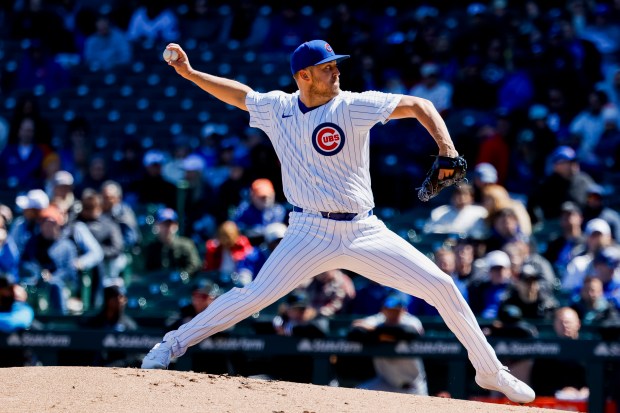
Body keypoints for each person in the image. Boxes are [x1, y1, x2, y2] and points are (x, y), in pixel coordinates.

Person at [142, 39, 535, 403]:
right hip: (308, 231)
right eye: (326, 67)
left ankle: (490, 371)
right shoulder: (278, 107)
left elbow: (420, 106)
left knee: (442, 286)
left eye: (335, 65)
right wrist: (191, 74)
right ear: (303, 76)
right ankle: (170, 346)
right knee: (252, 297)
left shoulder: (351, 106)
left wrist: (446, 149)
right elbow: (240, 95)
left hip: (363, 230)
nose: (336, 71)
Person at [350, 293, 428, 395]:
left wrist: (375, 334)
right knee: (357, 394)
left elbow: (410, 332)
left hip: (412, 386)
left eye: (398, 310)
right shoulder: (378, 320)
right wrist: (384, 334)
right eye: (390, 310)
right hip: (385, 383)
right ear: (383, 310)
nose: (394, 313)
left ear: (404, 310)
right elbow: (355, 329)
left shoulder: (410, 321)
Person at [143, 208, 202, 278]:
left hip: (182, 286)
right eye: (164, 224)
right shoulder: (151, 248)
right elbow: (146, 271)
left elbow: (195, 265)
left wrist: (181, 276)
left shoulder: (186, 245)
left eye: (170, 224)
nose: (168, 228)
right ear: (157, 225)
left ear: (176, 226)